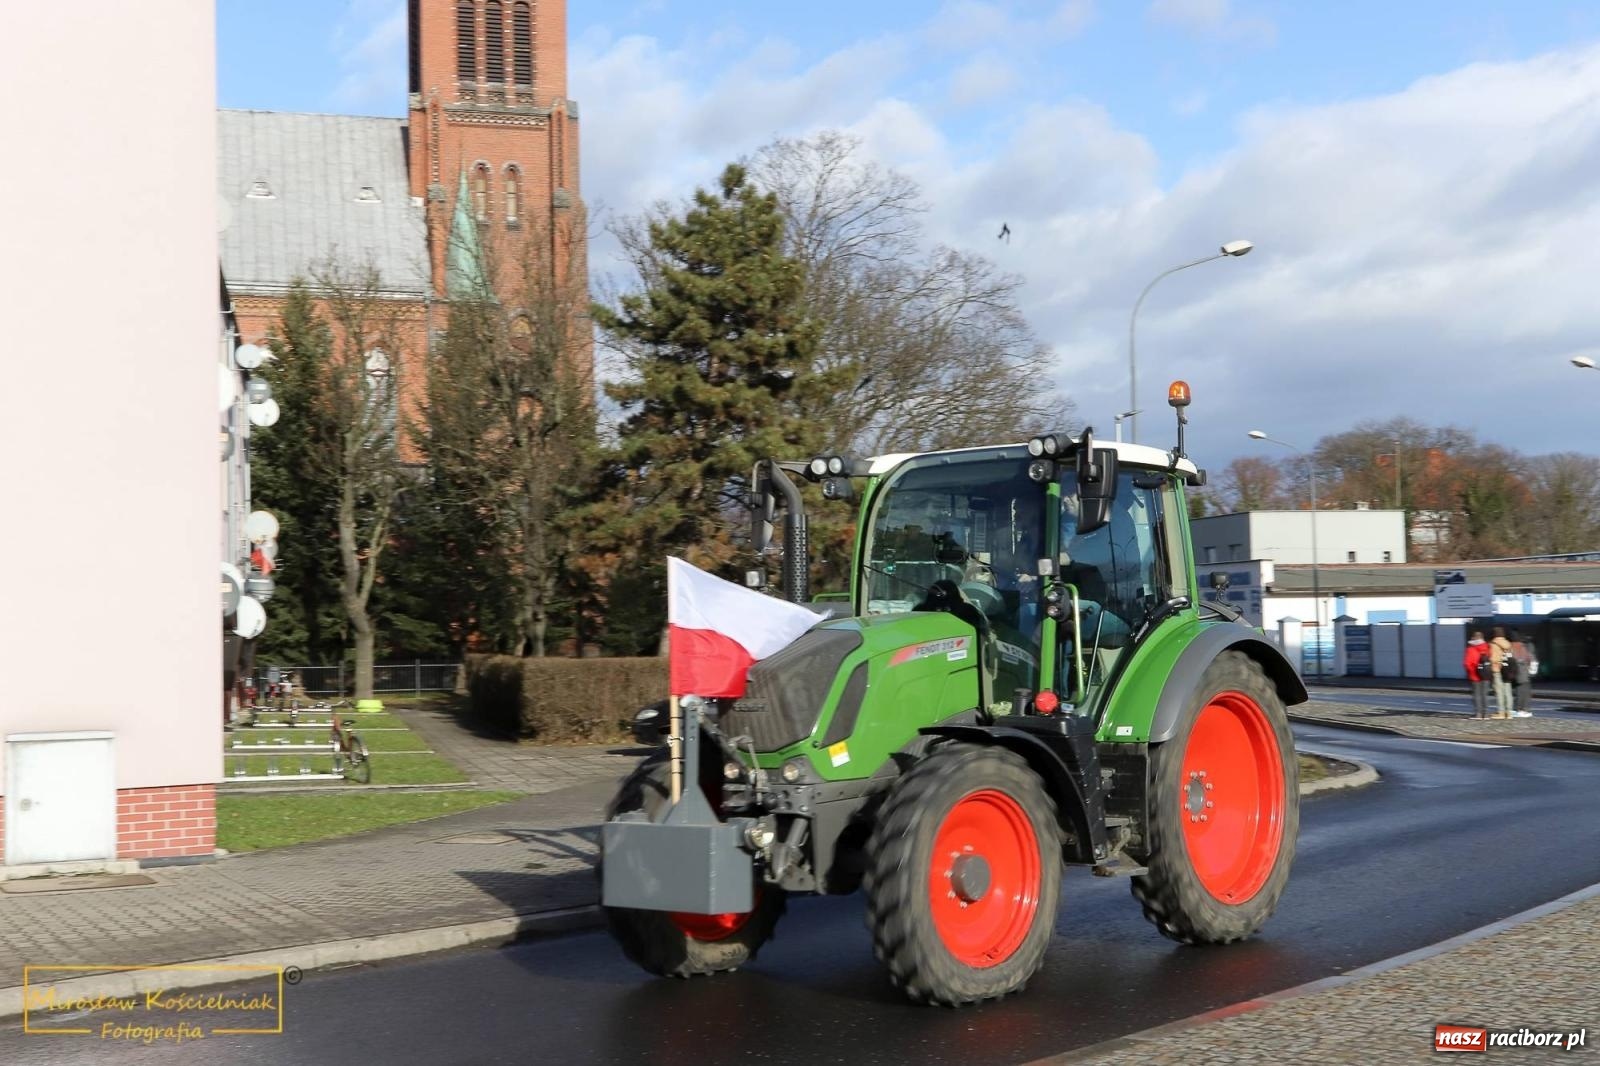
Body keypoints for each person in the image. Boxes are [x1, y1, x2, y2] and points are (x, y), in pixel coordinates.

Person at [1463, 631, 1494, 719]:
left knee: (1477, 695)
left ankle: (1478, 713)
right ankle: (1486, 713)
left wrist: (1471, 671)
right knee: (1485, 694)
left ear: (1473, 638)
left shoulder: (1470, 649)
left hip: (1475, 675)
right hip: (1486, 674)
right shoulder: (1487, 647)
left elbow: (1467, 663)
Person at [1508, 630, 1536, 718]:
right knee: (1524, 691)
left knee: (1518, 691)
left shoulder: (1511, 646)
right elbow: (1530, 658)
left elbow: (1510, 658)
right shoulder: (1522, 646)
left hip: (1515, 671)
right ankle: (1523, 709)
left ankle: (1518, 709)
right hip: (1524, 671)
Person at [1490, 626, 1514, 719]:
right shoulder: (1508, 643)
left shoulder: (1493, 644)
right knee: (1508, 691)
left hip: (1497, 669)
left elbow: (1494, 658)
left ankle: (1501, 712)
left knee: (1499, 691)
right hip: (1507, 670)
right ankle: (1509, 713)